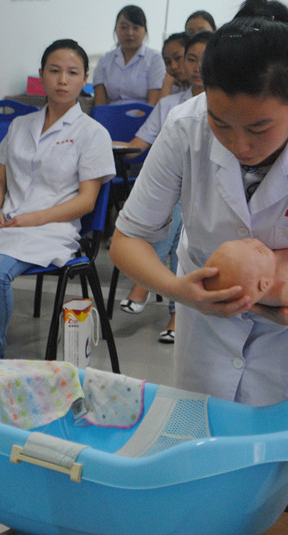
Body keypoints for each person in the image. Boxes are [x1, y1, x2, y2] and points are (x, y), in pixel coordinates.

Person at [110, 2, 288, 518]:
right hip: (206, 337)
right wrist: (182, 292)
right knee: (202, 494)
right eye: (222, 124)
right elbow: (128, 240)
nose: (239, 144)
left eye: (259, 128)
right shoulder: (184, 129)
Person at [0, 39, 114, 362]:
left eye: (72, 73)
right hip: (1, 222)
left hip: (49, 230)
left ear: (85, 79)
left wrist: (34, 218)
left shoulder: (92, 132)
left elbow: (87, 201)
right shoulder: (19, 125)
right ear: (41, 74)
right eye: (54, 71)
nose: (62, 80)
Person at [119, 31, 212, 344]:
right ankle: (175, 312)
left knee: (178, 214)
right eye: (190, 59)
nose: (196, 66)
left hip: (203, 195)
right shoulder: (170, 105)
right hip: (172, 189)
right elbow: (139, 144)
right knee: (171, 209)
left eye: (204, 59)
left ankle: (145, 285)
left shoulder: (226, 105)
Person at [92, 5, 165, 107]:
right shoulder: (105, 60)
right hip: (110, 116)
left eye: (136, 28)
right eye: (124, 27)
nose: (130, 33)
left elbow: (153, 102)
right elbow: (100, 103)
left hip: (144, 117)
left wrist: (136, 121)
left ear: (145, 31)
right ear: (115, 29)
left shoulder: (154, 58)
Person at [159, 32, 191, 99]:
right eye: (167, 62)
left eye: (178, 58)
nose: (173, 67)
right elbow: (162, 109)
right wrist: (167, 87)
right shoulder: (173, 87)